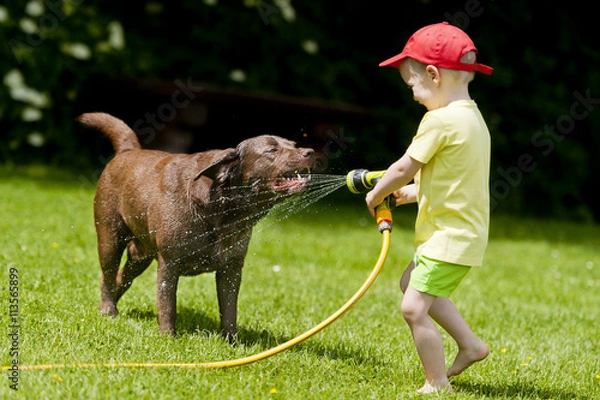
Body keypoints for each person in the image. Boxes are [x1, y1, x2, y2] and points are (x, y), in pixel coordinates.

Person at [365, 22, 493, 394]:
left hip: (449, 238)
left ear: (433, 75)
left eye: (413, 86)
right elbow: (453, 177)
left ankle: (437, 384)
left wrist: (377, 195)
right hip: (459, 235)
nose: (414, 95)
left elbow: (405, 166)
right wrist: (410, 195)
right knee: (411, 284)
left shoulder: (437, 121)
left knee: (413, 308)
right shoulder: (472, 118)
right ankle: (471, 346)